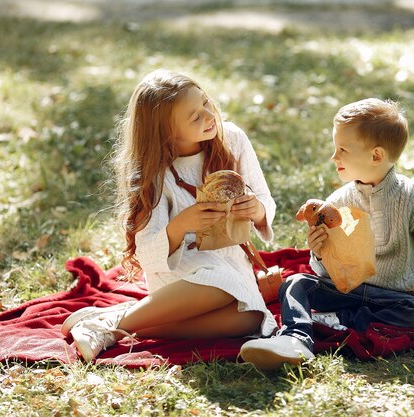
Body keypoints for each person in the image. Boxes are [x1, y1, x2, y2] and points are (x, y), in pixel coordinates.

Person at [61, 69, 278, 362]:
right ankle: (112, 326)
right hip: (180, 273)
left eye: (205, 103)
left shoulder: (233, 139)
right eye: (194, 117)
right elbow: (148, 252)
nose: (208, 115)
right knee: (221, 283)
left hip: (229, 260)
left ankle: (113, 321)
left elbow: (264, 197)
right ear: (166, 131)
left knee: (251, 318)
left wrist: (258, 210)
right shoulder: (155, 173)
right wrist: (181, 225)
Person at [240, 98, 414, 370]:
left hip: (394, 299)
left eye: (342, 150)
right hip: (347, 290)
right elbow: (326, 272)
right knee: (296, 283)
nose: (333, 157)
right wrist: (318, 251)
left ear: (376, 156)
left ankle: (332, 320)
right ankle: (297, 338)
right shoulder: (337, 202)